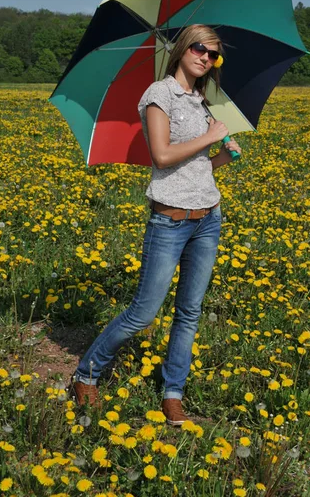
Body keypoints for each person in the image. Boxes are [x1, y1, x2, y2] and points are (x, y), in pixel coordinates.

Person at [71, 24, 241, 425]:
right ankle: (86, 374)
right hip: (169, 220)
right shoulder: (158, 94)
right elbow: (162, 156)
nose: (206, 58)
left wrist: (222, 159)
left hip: (208, 218)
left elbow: (197, 167)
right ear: (182, 47)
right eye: (200, 48)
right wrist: (210, 136)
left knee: (190, 311)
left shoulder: (201, 101)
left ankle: (173, 392)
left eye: (214, 54)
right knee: (143, 312)